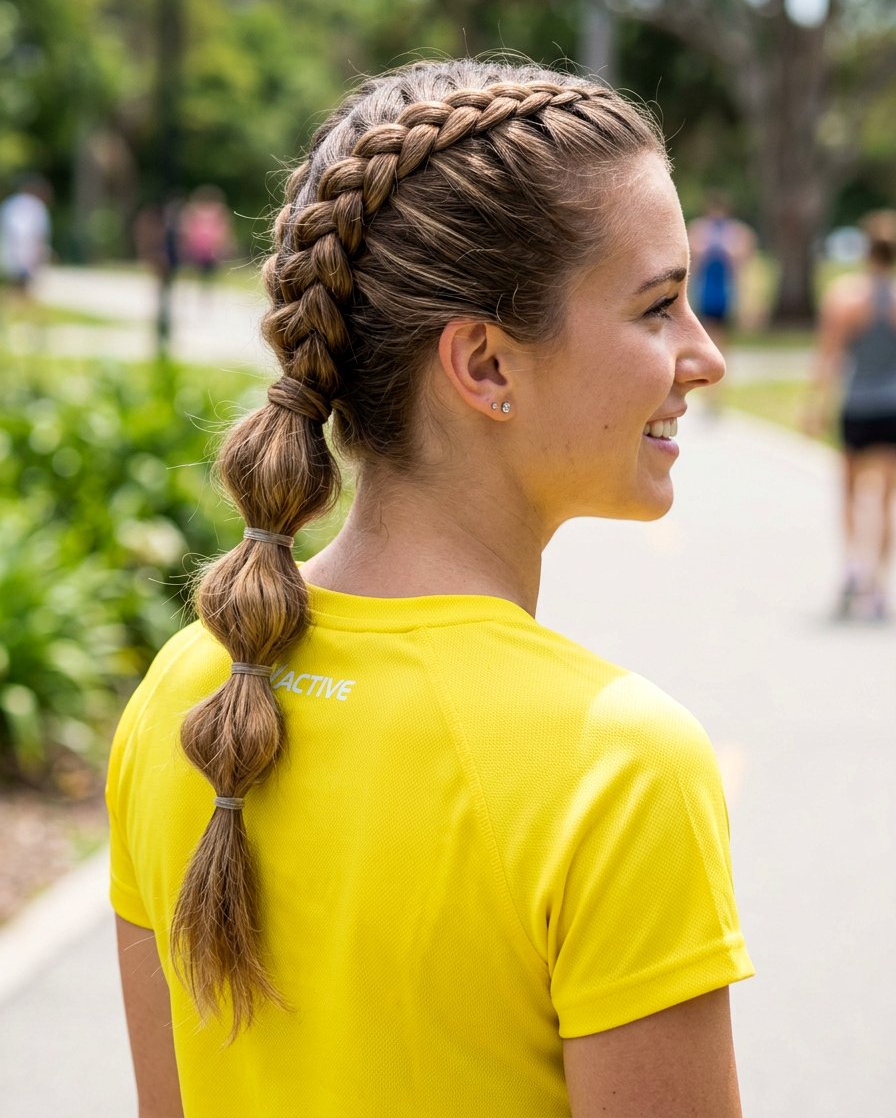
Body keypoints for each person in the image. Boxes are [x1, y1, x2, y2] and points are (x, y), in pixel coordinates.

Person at [107, 60, 752, 1118]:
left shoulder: (188, 688)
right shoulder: (618, 767)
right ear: (485, 365)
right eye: (657, 307)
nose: (704, 355)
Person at [805, 210, 896, 620]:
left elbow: (828, 358)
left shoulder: (845, 297)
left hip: (857, 406)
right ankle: (876, 583)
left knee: (851, 493)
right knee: (887, 499)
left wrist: (814, 405)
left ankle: (853, 570)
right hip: (891, 406)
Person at [687, 192, 755, 370]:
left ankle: (719, 376)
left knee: (723, 334)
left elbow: (743, 260)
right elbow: (692, 258)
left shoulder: (735, 232)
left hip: (724, 288)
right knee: (705, 332)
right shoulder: (699, 229)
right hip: (706, 287)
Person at [0, 174, 52, 306]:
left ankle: (18, 308)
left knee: (18, 283)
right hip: (27, 251)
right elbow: (37, 232)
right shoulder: (36, 206)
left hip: (12, 249)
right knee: (25, 285)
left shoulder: (10, 203)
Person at [179, 185, 235, 280]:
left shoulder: (219, 211)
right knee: (197, 270)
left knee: (210, 271)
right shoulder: (194, 210)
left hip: (211, 245)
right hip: (198, 245)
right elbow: (188, 228)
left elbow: (224, 228)